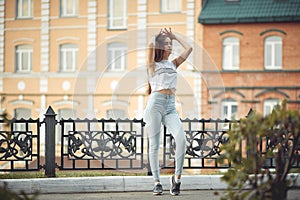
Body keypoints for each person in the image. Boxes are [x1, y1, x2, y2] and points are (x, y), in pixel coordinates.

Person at [144, 28, 193, 196]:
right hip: (155, 104)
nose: (169, 46)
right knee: (154, 145)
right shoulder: (152, 64)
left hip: (171, 106)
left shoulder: (173, 64)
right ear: (159, 46)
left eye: (170, 44)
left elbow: (189, 49)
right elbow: (150, 44)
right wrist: (158, 37)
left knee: (181, 139)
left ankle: (176, 179)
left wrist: (174, 37)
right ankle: (157, 182)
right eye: (166, 44)